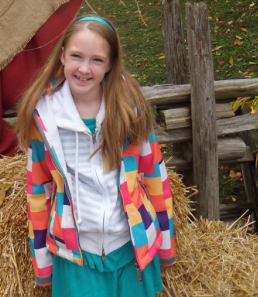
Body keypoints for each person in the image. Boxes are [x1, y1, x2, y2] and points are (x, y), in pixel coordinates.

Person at [16, 15, 176, 296]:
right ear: (62, 55)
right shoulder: (44, 119)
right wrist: (42, 262)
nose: (84, 68)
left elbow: (154, 176)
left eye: (97, 60)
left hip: (130, 248)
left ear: (111, 64)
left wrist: (165, 244)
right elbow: (38, 192)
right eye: (76, 56)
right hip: (76, 256)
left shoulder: (131, 110)